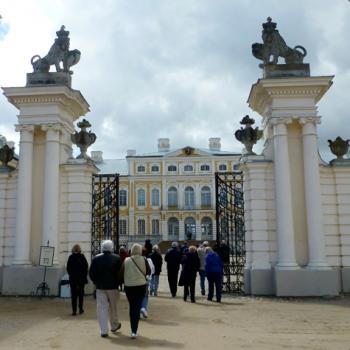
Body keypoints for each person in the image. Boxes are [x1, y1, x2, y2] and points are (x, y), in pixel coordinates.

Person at [89, 240, 122, 338]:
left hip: (100, 287)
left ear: (102, 248)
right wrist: (119, 283)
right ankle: (114, 326)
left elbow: (91, 273)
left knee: (101, 308)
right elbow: (120, 273)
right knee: (113, 307)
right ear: (111, 248)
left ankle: (103, 330)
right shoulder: (117, 258)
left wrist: (96, 282)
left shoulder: (96, 258)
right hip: (113, 287)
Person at [119, 243, 151, 339]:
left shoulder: (126, 260)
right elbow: (149, 272)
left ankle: (133, 330)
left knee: (133, 306)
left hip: (129, 287)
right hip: (141, 286)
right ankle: (134, 331)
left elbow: (121, 274)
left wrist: (124, 282)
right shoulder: (144, 259)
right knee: (137, 306)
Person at [66, 244, 88, 316]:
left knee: (74, 295)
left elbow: (68, 268)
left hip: (73, 279)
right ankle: (81, 309)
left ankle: (74, 311)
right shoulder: (82, 257)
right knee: (81, 295)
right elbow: (86, 267)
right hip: (81, 279)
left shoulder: (71, 257)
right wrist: (84, 275)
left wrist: (71, 275)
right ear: (79, 249)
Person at [140, 249, 155, 319]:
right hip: (146, 280)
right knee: (145, 296)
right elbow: (152, 269)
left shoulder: (135, 260)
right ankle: (143, 308)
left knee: (137, 296)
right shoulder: (149, 260)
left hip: (136, 280)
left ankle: (139, 311)